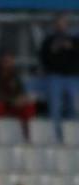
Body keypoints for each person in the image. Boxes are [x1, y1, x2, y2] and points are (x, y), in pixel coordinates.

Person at [0, 51, 36, 141]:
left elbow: (20, 90)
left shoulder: (15, 75)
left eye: (10, 61)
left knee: (29, 106)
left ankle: (26, 134)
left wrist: (22, 99)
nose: (8, 63)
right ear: (1, 61)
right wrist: (11, 100)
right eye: (6, 61)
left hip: (12, 105)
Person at [39, 13, 78, 141]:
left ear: (67, 25)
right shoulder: (49, 41)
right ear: (55, 25)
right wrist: (53, 49)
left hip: (72, 78)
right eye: (58, 23)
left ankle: (72, 136)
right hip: (54, 77)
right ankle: (56, 137)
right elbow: (43, 58)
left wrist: (71, 47)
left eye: (63, 23)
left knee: (73, 107)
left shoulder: (73, 39)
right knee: (55, 108)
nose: (61, 26)